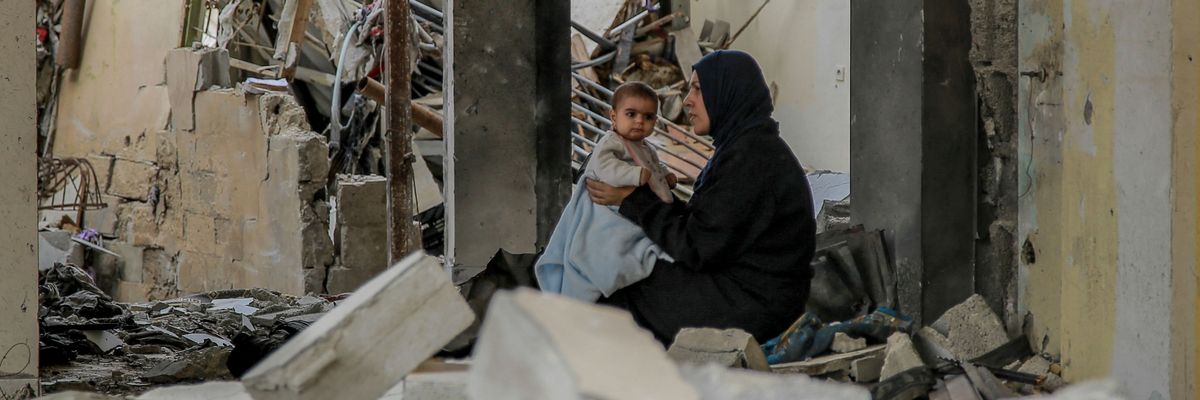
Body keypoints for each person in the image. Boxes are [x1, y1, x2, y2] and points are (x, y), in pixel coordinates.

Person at [587, 50, 816, 345]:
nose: (687, 100)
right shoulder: (744, 147)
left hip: (754, 305)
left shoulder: (752, 159)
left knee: (616, 288)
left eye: (697, 88)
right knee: (623, 270)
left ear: (726, 91)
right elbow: (709, 226)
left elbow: (697, 247)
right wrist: (654, 197)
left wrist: (634, 200)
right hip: (748, 290)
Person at [532, 82, 679, 303]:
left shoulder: (646, 147)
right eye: (631, 114)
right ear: (613, 116)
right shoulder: (611, 143)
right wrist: (632, 175)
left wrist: (665, 176)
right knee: (611, 243)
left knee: (645, 239)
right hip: (606, 211)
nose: (639, 121)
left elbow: (653, 166)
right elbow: (605, 167)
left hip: (631, 206)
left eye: (647, 117)